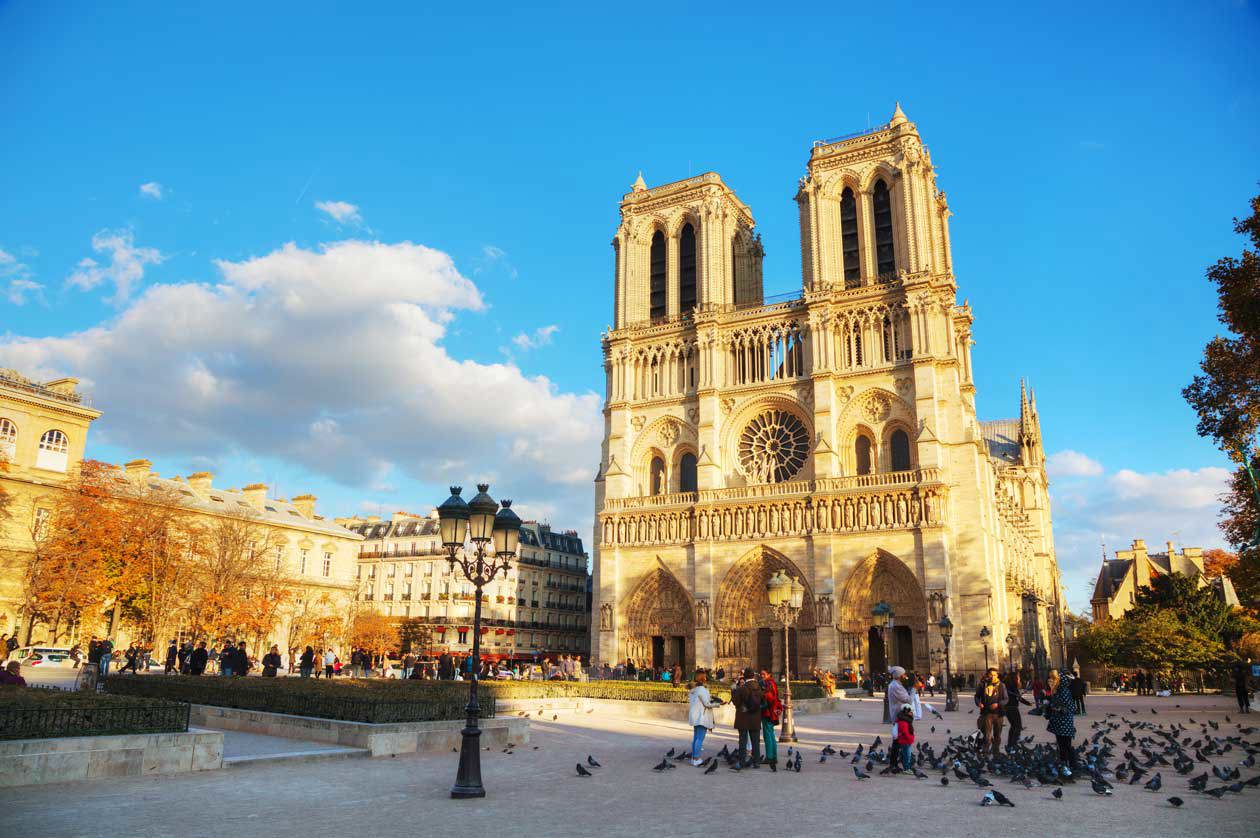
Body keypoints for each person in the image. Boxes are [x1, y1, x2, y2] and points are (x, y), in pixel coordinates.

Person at [1045, 669, 1078, 775]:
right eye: (1049, 679)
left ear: (1058, 680)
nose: (1050, 681)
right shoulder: (1059, 690)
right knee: (1062, 744)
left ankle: (1070, 765)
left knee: (1065, 745)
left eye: (1052, 679)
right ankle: (1066, 764)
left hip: (1065, 722)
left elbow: (1070, 708)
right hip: (1060, 722)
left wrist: (1056, 708)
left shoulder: (1063, 691)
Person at [688, 672, 722, 766]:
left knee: (696, 738)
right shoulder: (702, 690)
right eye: (705, 677)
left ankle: (694, 757)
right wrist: (718, 704)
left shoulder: (694, 690)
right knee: (700, 738)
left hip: (696, 715)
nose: (706, 678)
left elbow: (703, 702)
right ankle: (696, 758)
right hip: (701, 716)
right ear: (703, 679)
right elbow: (707, 704)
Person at [732, 667, 764, 768]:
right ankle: (756, 762)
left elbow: (736, 702)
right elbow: (762, 701)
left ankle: (741, 762)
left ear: (744, 677)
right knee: (755, 741)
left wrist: (733, 691)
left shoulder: (742, 688)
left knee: (743, 741)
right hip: (755, 717)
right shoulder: (759, 687)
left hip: (743, 717)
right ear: (753, 676)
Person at [974, 668, 1008, 759]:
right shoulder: (983, 685)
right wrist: (978, 703)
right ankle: (985, 754)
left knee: (997, 735)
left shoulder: (1001, 685)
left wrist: (998, 704)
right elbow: (977, 696)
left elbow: (1006, 699)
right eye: (991, 675)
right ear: (988, 675)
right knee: (987, 736)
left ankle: (996, 753)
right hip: (987, 713)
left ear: (997, 675)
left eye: (994, 675)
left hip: (998, 714)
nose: (993, 676)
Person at [760, 669, 783, 772]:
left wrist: (763, 694)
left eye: (764, 674)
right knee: (771, 735)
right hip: (772, 712)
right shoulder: (772, 683)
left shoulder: (768, 684)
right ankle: (774, 756)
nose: (762, 676)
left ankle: (769, 757)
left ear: (768, 674)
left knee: (767, 735)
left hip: (768, 713)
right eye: (761, 674)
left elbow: (770, 698)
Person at [1003, 670, 1032, 750]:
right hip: (1012, 707)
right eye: (1018, 677)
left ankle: (1010, 743)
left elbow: (1017, 696)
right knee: (1018, 726)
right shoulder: (1012, 686)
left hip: (1007, 708)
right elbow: (1018, 697)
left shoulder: (1007, 685)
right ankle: (1013, 743)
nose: (1019, 679)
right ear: (1014, 678)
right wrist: (1027, 703)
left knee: (1013, 726)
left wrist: (1027, 702)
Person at [893, 702, 915, 773]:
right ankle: (906, 768)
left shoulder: (906, 719)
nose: (912, 713)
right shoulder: (904, 721)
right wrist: (910, 739)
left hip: (906, 741)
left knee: (906, 755)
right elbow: (905, 732)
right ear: (907, 711)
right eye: (911, 712)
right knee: (907, 755)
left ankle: (907, 767)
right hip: (905, 741)